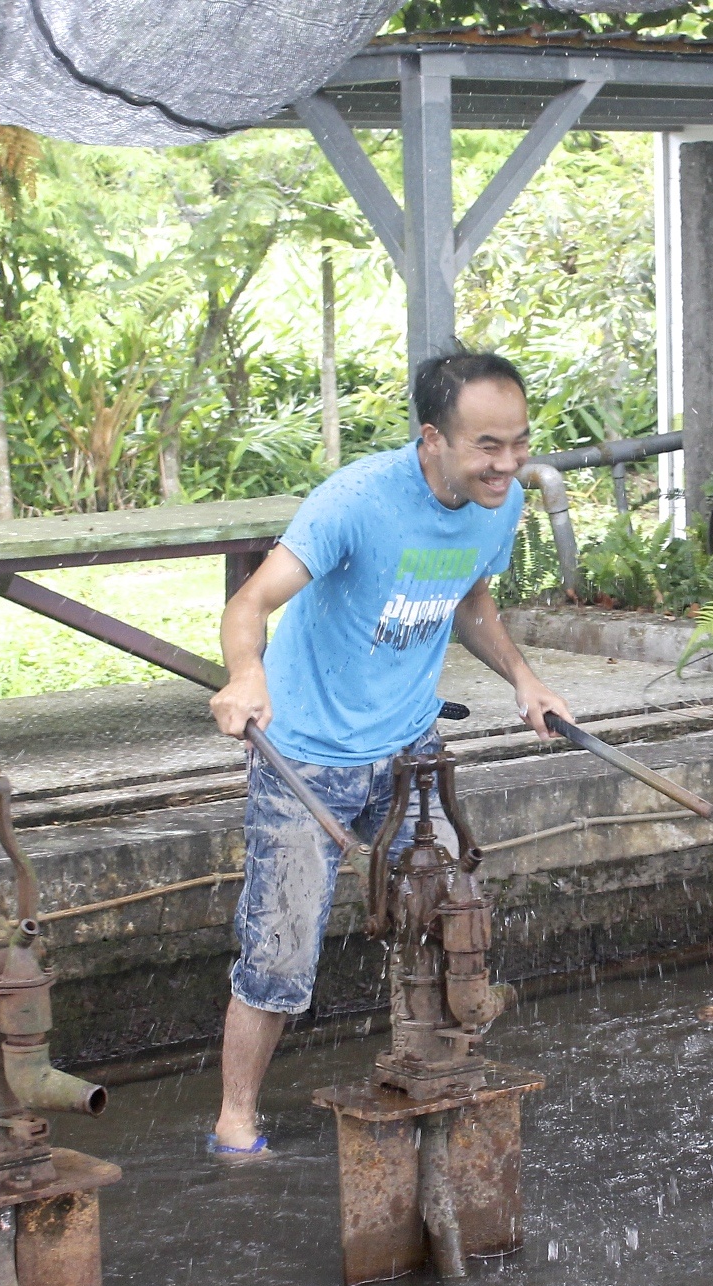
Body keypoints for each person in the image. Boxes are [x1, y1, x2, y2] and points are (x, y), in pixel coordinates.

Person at [203, 351, 575, 1159]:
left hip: (411, 748)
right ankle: (236, 1118)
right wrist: (245, 675)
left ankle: (431, 1065)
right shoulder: (356, 502)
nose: (507, 464)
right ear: (432, 437)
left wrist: (524, 678)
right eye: (487, 446)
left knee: (446, 908)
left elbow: (471, 596)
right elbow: (250, 600)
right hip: (307, 757)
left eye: (517, 443)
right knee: (279, 952)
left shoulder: (497, 505)